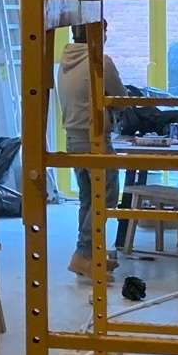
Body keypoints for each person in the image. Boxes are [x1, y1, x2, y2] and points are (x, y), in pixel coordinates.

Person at [57, 36, 123, 277]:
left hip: (73, 139)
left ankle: (91, 255)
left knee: (88, 198)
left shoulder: (65, 61)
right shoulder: (100, 61)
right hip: (94, 140)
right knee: (104, 197)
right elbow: (121, 97)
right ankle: (84, 254)